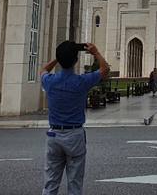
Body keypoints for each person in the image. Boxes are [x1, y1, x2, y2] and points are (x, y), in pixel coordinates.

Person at [40, 41, 109, 195]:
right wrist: (96, 52)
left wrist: (59, 57)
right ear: (76, 60)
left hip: (54, 135)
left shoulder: (50, 82)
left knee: (50, 184)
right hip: (74, 136)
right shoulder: (81, 82)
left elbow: (43, 70)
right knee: (75, 185)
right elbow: (105, 70)